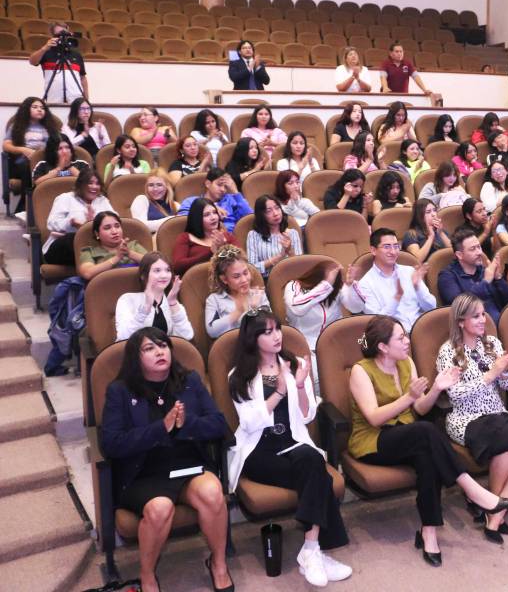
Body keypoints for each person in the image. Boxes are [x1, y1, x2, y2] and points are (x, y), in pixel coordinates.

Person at [348, 315, 508, 565]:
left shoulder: (407, 363)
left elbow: (421, 408)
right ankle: (472, 489)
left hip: (407, 435)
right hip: (373, 440)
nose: (406, 341)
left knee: (428, 455)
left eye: (405, 336)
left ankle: (429, 532)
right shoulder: (361, 371)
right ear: (382, 346)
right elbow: (373, 418)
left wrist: (436, 388)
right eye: (400, 338)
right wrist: (407, 398)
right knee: (425, 432)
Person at [100, 328, 232, 592]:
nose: (160, 352)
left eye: (163, 346)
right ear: (135, 358)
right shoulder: (120, 391)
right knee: (159, 508)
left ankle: (218, 563)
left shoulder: (190, 381)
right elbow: (112, 443)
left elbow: (219, 424)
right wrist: (162, 428)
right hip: (144, 473)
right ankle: (147, 575)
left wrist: (185, 424)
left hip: (188, 465)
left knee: (213, 493)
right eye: (149, 348)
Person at [227, 310, 352, 586]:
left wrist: (299, 385)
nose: (277, 336)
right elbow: (249, 423)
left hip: (293, 443)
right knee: (315, 468)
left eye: (277, 329)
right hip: (259, 450)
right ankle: (314, 551)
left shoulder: (294, 365)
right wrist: (281, 391)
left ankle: (311, 548)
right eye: (268, 331)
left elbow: (307, 416)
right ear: (253, 338)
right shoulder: (240, 376)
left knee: (312, 463)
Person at [436, 294, 508, 541]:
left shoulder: (493, 344)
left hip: (497, 413)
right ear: (461, 321)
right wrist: (491, 374)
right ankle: (494, 509)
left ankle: (497, 509)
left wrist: (506, 370)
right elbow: (456, 396)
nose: (483, 319)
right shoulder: (448, 352)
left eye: (483, 313)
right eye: (476, 316)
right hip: (466, 418)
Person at [343, 228, 436, 331]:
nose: (393, 252)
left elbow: (431, 307)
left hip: (422, 331)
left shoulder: (409, 272)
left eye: (396, 246)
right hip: (393, 338)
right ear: (373, 250)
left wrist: (418, 288)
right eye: (387, 247)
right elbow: (378, 323)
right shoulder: (366, 283)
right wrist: (397, 298)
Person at [284, 261, 356, 390]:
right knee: (317, 380)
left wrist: (350, 286)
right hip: (305, 347)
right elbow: (297, 308)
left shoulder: (336, 288)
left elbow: (356, 307)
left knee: (356, 367)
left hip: (334, 344)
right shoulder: (294, 286)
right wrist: (325, 286)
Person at [438, 227, 508, 324]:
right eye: (473, 249)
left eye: (479, 247)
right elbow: (461, 306)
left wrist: (498, 278)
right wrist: (485, 282)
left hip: (502, 324)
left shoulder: (484, 270)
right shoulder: (447, 276)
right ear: (459, 255)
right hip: (474, 330)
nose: (479, 252)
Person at [115, 252, 192, 341]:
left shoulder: (172, 302)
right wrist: (145, 309)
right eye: (157, 270)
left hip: (163, 352)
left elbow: (186, 337)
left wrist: (173, 304)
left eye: (168, 270)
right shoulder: (127, 299)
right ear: (143, 276)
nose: (164, 276)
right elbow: (123, 337)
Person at [43, 168, 112, 266]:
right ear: (81, 184)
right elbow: (51, 223)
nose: (94, 187)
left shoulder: (102, 200)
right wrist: (71, 223)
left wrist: (92, 225)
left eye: (97, 184)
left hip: (96, 244)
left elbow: (115, 220)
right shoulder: (66, 198)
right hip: (64, 246)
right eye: (90, 183)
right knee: (73, 240)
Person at [204, 245, 268, 338]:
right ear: (224, 279)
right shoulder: (214, 299)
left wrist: (254, 308)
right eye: (236, 276)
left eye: (246, 273)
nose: (244, 280)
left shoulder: (257, 295)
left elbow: (268, 326)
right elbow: (212, 331)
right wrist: (237, 312)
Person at [3, 96, 58, 203]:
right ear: (26, 109)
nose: (39, 110)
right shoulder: (17, 126)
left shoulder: (49, 127)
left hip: (45, 160)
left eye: (42, 108)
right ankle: (26, 202)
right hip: (24, 161)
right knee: (26, 165)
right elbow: (6, 145)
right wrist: (23, 150)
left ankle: (35, 203)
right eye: (35, 107)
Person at [172, 197, 240, 276]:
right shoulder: (185, 238)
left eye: (214, 213)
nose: (213, 217)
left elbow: (241, 258)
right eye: (207, 215)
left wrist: (224, 248)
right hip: (196, 283)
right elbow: (177, 267)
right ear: (197, 219)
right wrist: (210, 252)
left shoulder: (227, 236)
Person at [177, 168, 253, 234]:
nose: (223, 190)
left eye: (226, 186)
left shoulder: (231, 200)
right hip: (203, 240)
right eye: (219, 185)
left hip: (229, 240)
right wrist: (211, 207)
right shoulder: (191, 201)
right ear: (208, 184)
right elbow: (183, 222)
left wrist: (235, 192)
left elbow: (249, 218)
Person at [77, 211, 148, 281]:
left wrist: (129, 253)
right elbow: (87, 273)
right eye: (107, 228)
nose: (114, 231)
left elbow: (153, 263)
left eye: (117, 226)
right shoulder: (89, 252)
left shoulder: (134, 245)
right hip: (106, 290)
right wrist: (117, 257)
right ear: (97, 234)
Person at [246, 195, 303, 277]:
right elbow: (251, 269)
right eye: (269, 211)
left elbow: (300, 266)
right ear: (261, 215)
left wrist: (290, 251)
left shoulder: (292, 233)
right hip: (266, 280)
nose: (275, 214)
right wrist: (279, 257)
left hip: (290, 277)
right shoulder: (253, 235)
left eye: (277, 208)